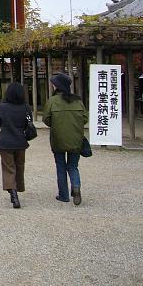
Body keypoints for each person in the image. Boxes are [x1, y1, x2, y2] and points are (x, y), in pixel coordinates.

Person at [42, 72, 88, 206]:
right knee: (73, 166)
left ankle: (63, 195)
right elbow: (84, 119)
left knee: (61, 166)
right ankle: (76, 187)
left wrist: (57, 125)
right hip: (76, 138)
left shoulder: (52, 101)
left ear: (57, 86)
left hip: (58, 138)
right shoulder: (78, 101)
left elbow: (46, 119)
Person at [0, 82, 30, 209]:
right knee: (19, 166)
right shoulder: (25, 107)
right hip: (20, 141)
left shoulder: (2, 107)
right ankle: (18, 187)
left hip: (5, 141)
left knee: (9, 167)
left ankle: (13, 194)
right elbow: (27, 124)